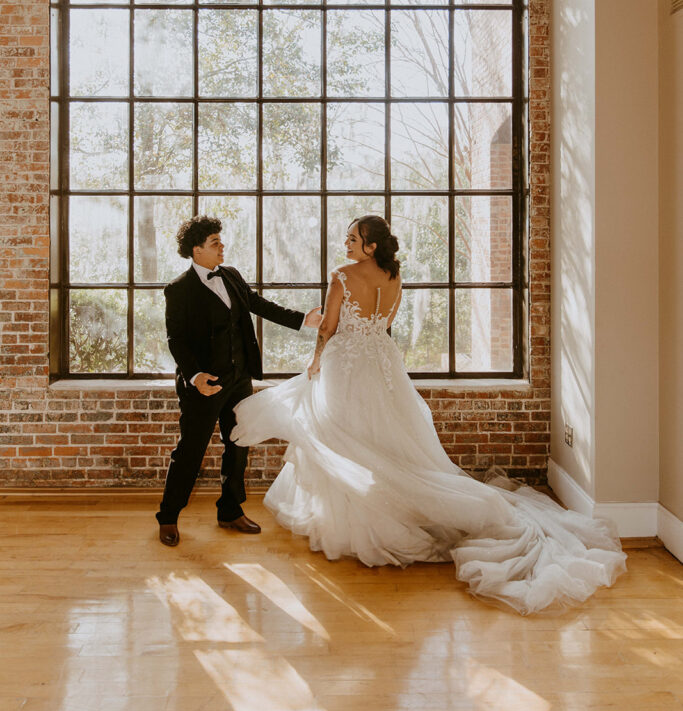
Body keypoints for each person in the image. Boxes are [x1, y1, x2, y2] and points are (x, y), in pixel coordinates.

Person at [231, 214, 627, 615]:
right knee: (384, 439)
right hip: (382, 365)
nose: (346, 243)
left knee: (344, 438)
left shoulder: (342, 276)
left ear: (371, 245)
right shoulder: (394, 276)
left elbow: (328, 328)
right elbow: (384, 324)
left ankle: (360, 522)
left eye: (354, 238)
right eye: (348, 238)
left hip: (346, 366)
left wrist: (316, 361)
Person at [156, 215, 322, 547]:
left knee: (239, 445)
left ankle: (230, 511)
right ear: (197, 249)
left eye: (221, 241)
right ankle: (169, 517)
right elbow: (177, 340)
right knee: (190, 451)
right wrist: (196, 376)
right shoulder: (178, 289)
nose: (222, 247)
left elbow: (258, 304)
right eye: (215, 242)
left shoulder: (231, 275)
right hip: (204, 384)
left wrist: (304, 320)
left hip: (239, 378)